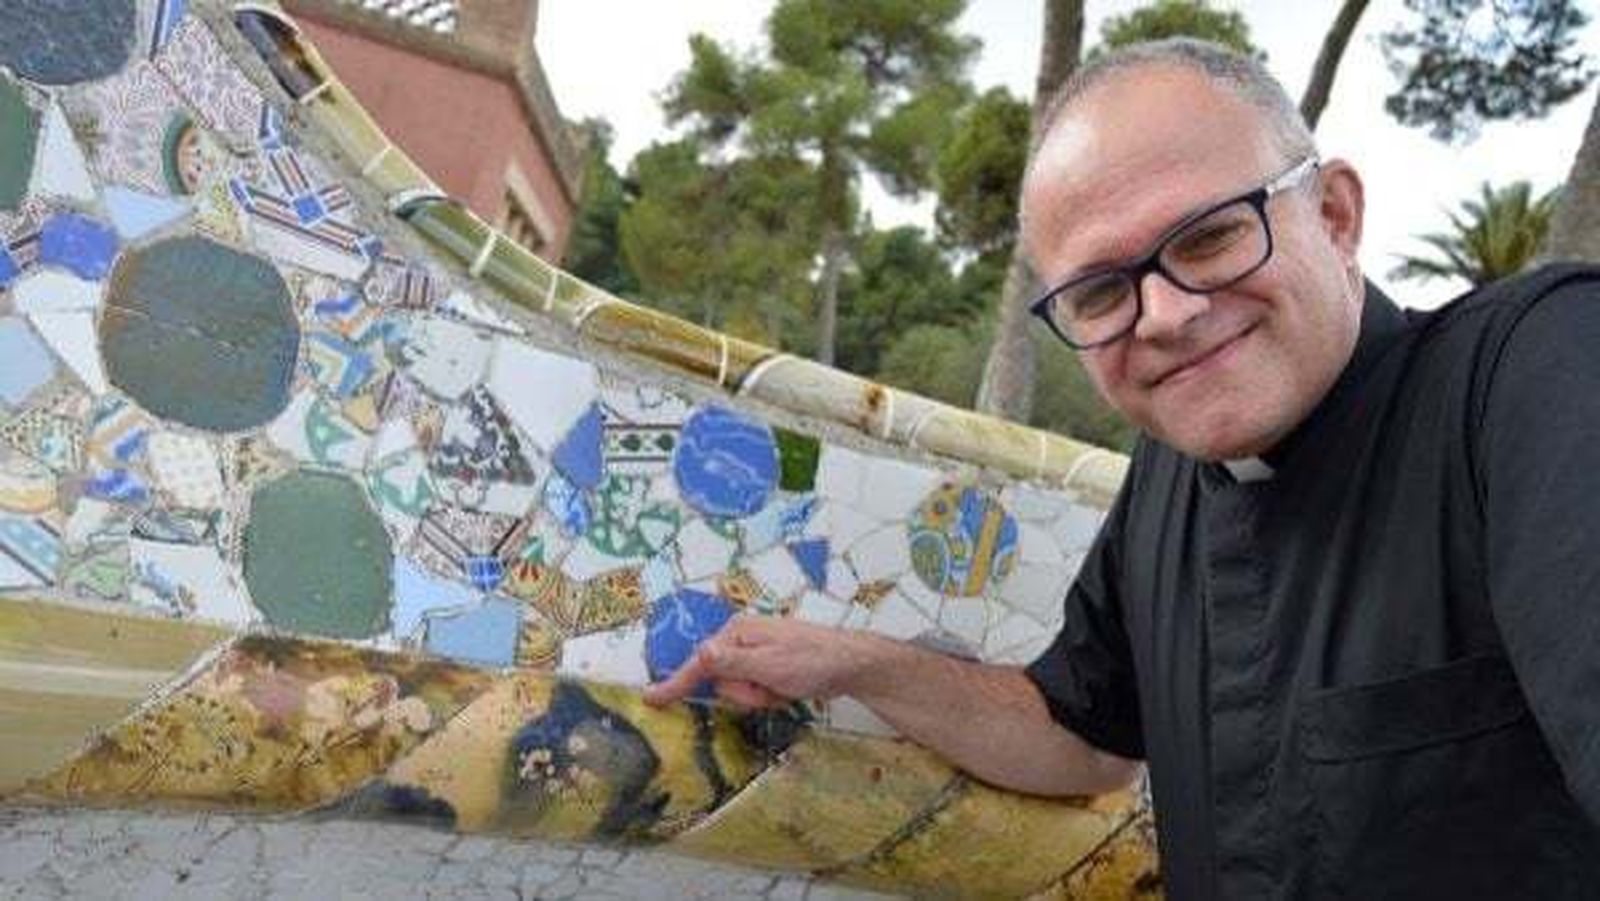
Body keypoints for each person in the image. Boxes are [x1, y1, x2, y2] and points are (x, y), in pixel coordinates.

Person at [645, 37, 1600, 898]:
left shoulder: (1534, 366)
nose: (1169, 315)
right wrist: (850, 661)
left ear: (1336, 215)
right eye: (1103, 292)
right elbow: (1082, 737)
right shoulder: (1170, 478)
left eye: (1212, 237)